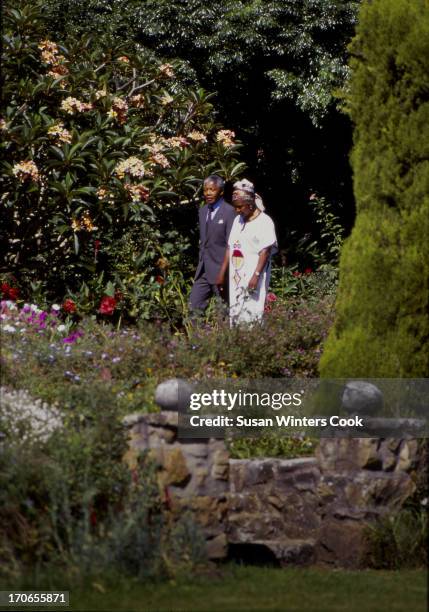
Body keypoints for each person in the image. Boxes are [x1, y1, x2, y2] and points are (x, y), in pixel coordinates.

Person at [216, 179, 277, 324]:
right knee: (236, 311)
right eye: (235, 207)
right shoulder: (238, 221)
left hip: (254, 276)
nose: (237, 210)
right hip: (236, 276)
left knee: (253, 311)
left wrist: (255, 276)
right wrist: (221, 273)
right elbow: (230, 247)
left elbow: (265, 251)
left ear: (250, 204)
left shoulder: (265, 221)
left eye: (240, 207)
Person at [189, 175, 236, 313]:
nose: (208, 193)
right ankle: (199, 335)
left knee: (224, 311)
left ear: (221, 191)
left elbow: (231, 244)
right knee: (194, 306)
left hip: (221, 269)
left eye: (212, 190)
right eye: (205, 190)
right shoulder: (203, 211)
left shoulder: (230, 212)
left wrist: (224, 272)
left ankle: (226, 335)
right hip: (203, 269)